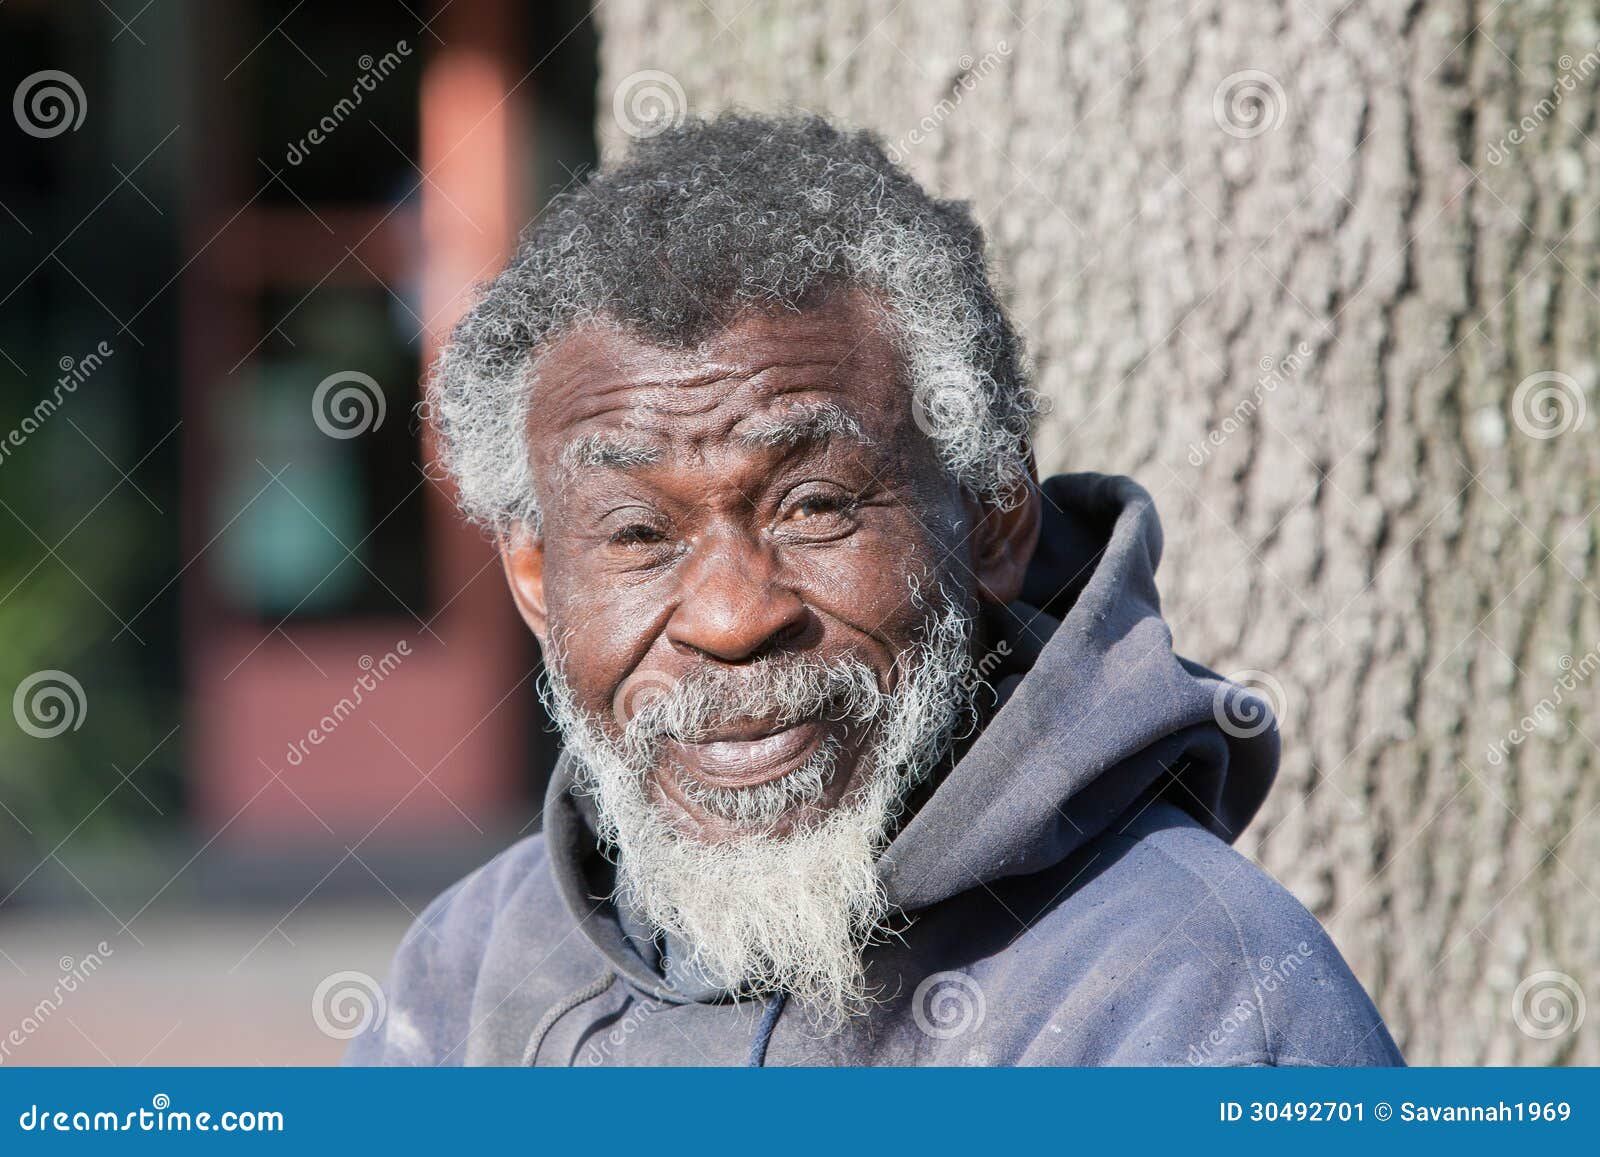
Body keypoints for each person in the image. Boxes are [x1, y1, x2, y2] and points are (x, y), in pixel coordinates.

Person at [346, 114, 1403, 1067]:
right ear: (536, 580)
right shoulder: (468, 975)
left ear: (993, 517)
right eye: (635, 532)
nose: (730, 616)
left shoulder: (1199, 1003)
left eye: (814, 506)